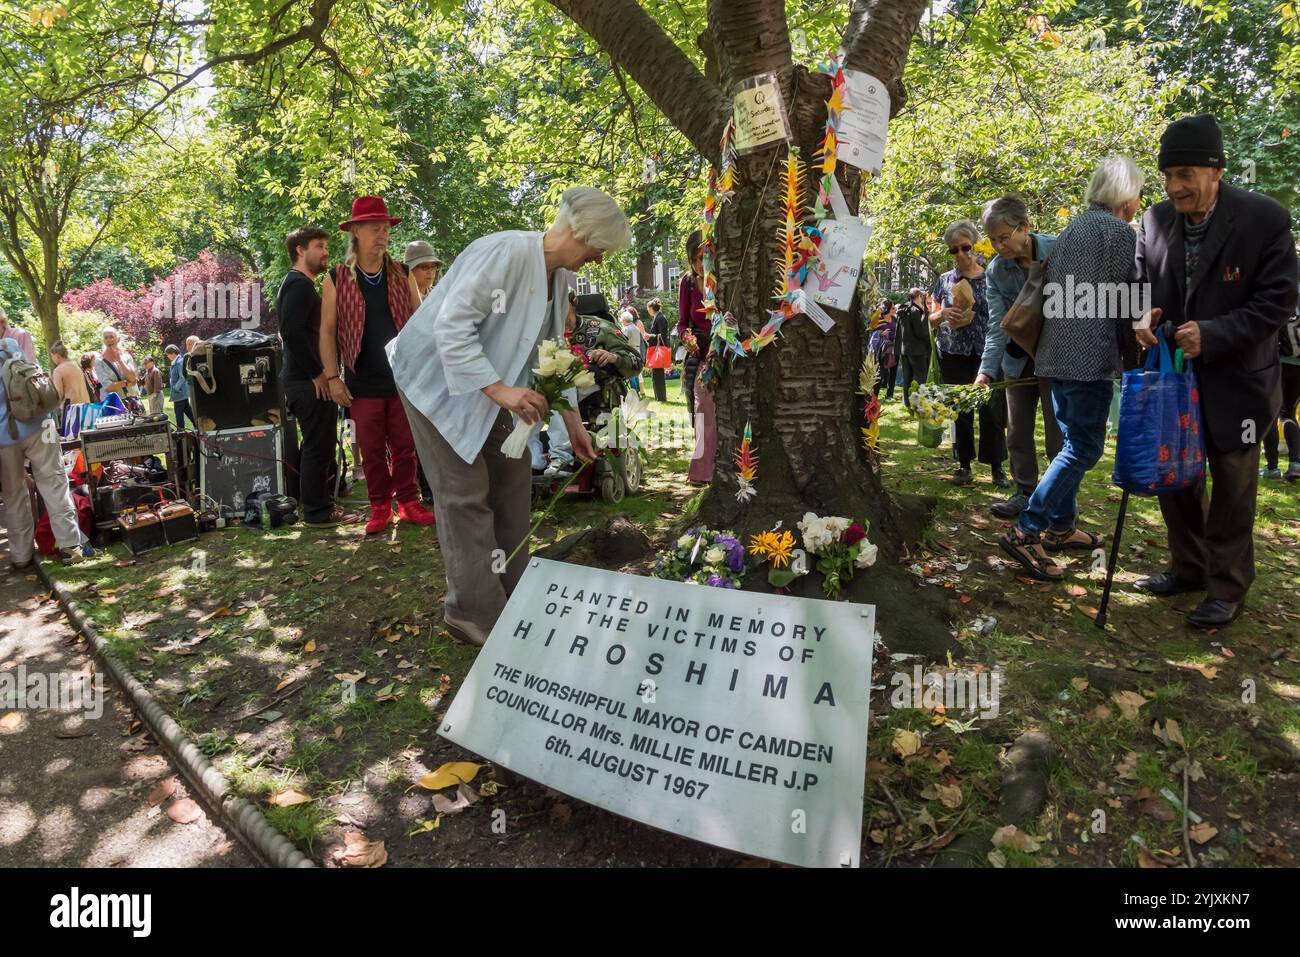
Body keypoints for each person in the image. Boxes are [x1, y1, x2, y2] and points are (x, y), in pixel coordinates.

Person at [389, 186, 627, 645]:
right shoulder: (503, 253)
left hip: (497, 390)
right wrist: (500, 390)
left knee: (512, 482)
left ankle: (513, 594)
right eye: (599, 248)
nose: (598, 259)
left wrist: (574, 425)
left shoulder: (562, 280)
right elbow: (451, 327)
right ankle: (474, 613)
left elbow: (551, 356)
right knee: (465, 492)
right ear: (580, 233)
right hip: (433, 380)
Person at [1132, 114, 1299, 629]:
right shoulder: (1155, 220)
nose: (1174, 186)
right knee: (1175, 475)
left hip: (1240, 380)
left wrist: (1216, 334)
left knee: (1232, 483)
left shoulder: (1264, 219)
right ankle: (1189, 566)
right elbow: (1139, 282)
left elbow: (1278, 301)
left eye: (1185, 174)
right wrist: (1140, 314)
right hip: (1176, 378)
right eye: (1167, 175)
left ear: (1217, 170)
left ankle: (1226, 586)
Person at [999, 157, 1145, 581]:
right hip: (1087, 357)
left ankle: (1061, 529)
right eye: (1136, 193)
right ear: (1125, 195)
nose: (1137, 202)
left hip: (1054, 356)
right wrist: (1133, 358)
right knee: (1083, 447)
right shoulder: (1120, 233)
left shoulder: (1072, 229)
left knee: (1068, 444)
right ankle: (1027, 530)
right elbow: (1128, 300)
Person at [320, 196, 435, 535]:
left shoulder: (402, 273)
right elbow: (327, 331)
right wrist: (332, 376)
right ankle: (380, 507)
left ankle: (409, 502)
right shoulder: (336, 278)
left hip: (401, 378)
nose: (382, 235)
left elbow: (420, 322)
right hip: (360, 379)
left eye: (385, 229)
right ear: (356, 231)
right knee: (370, 450)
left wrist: (426, 368)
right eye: (374, 228)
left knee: (405, 446)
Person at [977, 196, 1064, 518]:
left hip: (1058, 357)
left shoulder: (1060, 250)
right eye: (993, 240)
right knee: (1017, 431)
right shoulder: (996, 272)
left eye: (1004, 237)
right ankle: (1024, 491)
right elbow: (998, 326)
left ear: (1024, 227)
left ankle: (1058, 499)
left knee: (1058, 434)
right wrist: (986, 371)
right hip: (1017, 360)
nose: (999, 246)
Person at [280, 226, 359, 527]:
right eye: (318, 246)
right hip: (307, 382)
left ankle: (317, 505)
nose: (325, 252)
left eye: (326, 246)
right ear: (300, 250)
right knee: (319, 446)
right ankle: (318, 512)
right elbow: (291, 332)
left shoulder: (300, 284)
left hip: (306, 379)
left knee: (317, 444)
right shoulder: (299, 285)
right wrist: (319, 373)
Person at [0, 338, 94, 567]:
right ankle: (71, 546)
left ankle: (21, 556)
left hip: (4, 437)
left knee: (14, 496)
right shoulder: (11, 345)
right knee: (55, 485)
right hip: (40, 425)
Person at [930, 220, 1010, 488]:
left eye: (965, 247)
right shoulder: (944, 281)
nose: (961, 254)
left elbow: (1005, 316)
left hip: (987, 352)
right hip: (954, 352)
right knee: (959, 410)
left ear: (975, 246)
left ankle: (997, 467)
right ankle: (963, 465)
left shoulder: (992, 277)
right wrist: (942, 314)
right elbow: (930, 316)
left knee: (992, 410)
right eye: (954, 250)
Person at [537, 290, 643, 475]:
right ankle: (530, 458)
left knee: (561, 387)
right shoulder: (541, 331)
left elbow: (635, 361)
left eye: (559, 302)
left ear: (573, 302)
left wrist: (613, 357)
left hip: (590, 384)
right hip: (545, 385)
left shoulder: (599, 327)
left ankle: (561, 458)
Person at [677, 231, 710, 425]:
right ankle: (702, 453)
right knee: (700, 408)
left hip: (722, 353)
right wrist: (687, 337)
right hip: (698, 356)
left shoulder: (723, 280)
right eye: (693, 260)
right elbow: (682, 323)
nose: (699, 265)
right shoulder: (687, 283)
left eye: (703, 258)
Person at [1261, 335, 1300, 480]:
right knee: (1288, 413)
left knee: (1271, 414)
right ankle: (1295, 464)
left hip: (1278, 362)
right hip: (1298, 364)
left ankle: (1272, 468)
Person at [895, 288, 930, 408]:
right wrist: (929, 337)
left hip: (904, 348)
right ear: (918, 296)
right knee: (920, 376)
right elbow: (920, 332)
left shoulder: (903, 309)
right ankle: (920, 402)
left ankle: (907, 402)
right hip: (916, 349)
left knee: (907, 376)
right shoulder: (914, 311)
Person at [94, 328, 139, 399]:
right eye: (106, 338)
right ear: (103, 341)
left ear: (118, 339)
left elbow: (133, 378)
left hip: (132, 401)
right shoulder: (99, 361)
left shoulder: (126, 357)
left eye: (111, 337)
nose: (109, 340)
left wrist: (120, 361)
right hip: (114, 404)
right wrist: (127, 383)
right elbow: (108, 387)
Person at [868, 299, 898, 398]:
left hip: (893, 348)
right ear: (888, 309)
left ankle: (890, 394)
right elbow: (871, 333)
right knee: (880, 372)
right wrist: (881, 333)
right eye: (892, 308)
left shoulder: (895, 319)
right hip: (881, 350)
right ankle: (874, 395)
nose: (894, 310)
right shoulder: (877, 318)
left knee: (893, 370)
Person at [164, 344, 197, 430]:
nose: (167, 356)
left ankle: (180, 431)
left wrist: (175, 388)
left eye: (168, 354)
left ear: (173, 353)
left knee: (178, 413)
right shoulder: (177, 361)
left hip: (179, 394)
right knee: (188, 411)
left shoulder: (179, 362)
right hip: (181, 394)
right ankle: (197, 425)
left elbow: (183, 377)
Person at [646, 297, 670, 402]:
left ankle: (661, 398)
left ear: (652, 308)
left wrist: (650, 336)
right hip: (655, 350)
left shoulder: (661, 318)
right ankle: (658, 397)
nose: (647, 310)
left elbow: (663, 336)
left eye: (648, 308)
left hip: (658, 351)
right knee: (655, 374)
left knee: (658, 375)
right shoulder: (657, 317)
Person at [619, 308, 644, 396]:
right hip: (637, 351)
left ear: (625, 320)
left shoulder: (626, 329)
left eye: (622, 320)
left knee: (631, 373)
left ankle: (634, 392)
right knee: (636, 373)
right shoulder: (636, 328)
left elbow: (622, 341)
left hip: (630, 352)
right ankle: (637, 392)